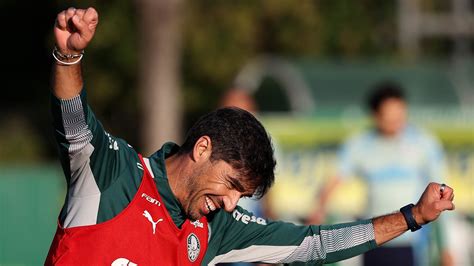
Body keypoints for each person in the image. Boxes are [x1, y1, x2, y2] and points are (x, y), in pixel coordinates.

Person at [45, 7, 455, 265]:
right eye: (232, 186)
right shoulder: (115, 172)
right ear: (202, 147)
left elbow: (314, 244)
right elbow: (75, 124)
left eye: (242, 197)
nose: (230, 203)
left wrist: (412, 217)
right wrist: (68, 56)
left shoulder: (217, 227)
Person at [307, 82, 454, 266]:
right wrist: (318, 208)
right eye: (389, 117)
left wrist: (447, 248)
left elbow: (443, 194)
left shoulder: (424, 143)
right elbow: (334, 179)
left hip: (413, 240)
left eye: (399, 115)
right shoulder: (360, 144)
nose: (395, 122)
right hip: (375, 237)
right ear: (375, 116)